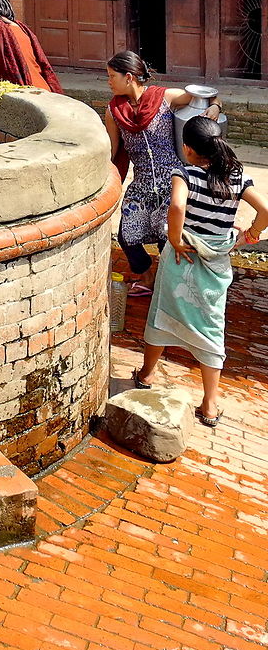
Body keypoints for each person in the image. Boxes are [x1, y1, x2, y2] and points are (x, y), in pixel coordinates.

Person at [133, 116, 268, 428]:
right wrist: (250, 234)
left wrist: (176, 239)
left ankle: (146, 374)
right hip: (215, 261)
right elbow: (265, 211)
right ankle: (209, 405)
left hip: (182, 258)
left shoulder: (186, 174)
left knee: (162, 313)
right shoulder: (235, 176)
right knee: (211, 326)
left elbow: (178, 207)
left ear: (187, 148)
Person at [104, 50, 222, 295]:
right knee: (127, 236)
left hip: (174, 180)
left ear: (129, 77)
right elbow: (112, 151)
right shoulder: (113, 111)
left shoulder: (164, 97)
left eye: (111, 76)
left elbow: (209, 96)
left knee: (167, 237)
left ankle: (173, 289)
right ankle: (148, 277)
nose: (108, 82)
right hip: (142, 183)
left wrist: (215, 109)